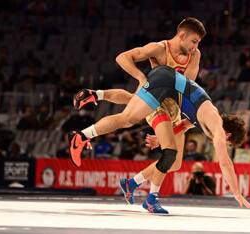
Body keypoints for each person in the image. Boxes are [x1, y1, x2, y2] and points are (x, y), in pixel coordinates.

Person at [69, 66, 250, 212]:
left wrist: (160, 137)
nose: (224, 145)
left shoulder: (208, 117)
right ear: (228, 135)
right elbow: (225, 162)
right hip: (167, 81)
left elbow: (184, 125)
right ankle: (82, 135)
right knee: (130, 120)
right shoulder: (217, 126)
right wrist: (236, 192)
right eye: (228, 143)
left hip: (168, 85)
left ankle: (132, 183)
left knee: (173, 160)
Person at [72, 18, 206, 213]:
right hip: (157, 102)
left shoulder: (195, 55)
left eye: (198, 43)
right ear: (182, 35)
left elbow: (188, 86)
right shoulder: (160, 48)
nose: (195, 47)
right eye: (194, 41)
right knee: (146, 133)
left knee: (174, 163)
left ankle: (131, 183)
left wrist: (181, 121)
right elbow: (122, 58)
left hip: (173, 107)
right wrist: (141, 77)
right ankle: (151, 197)